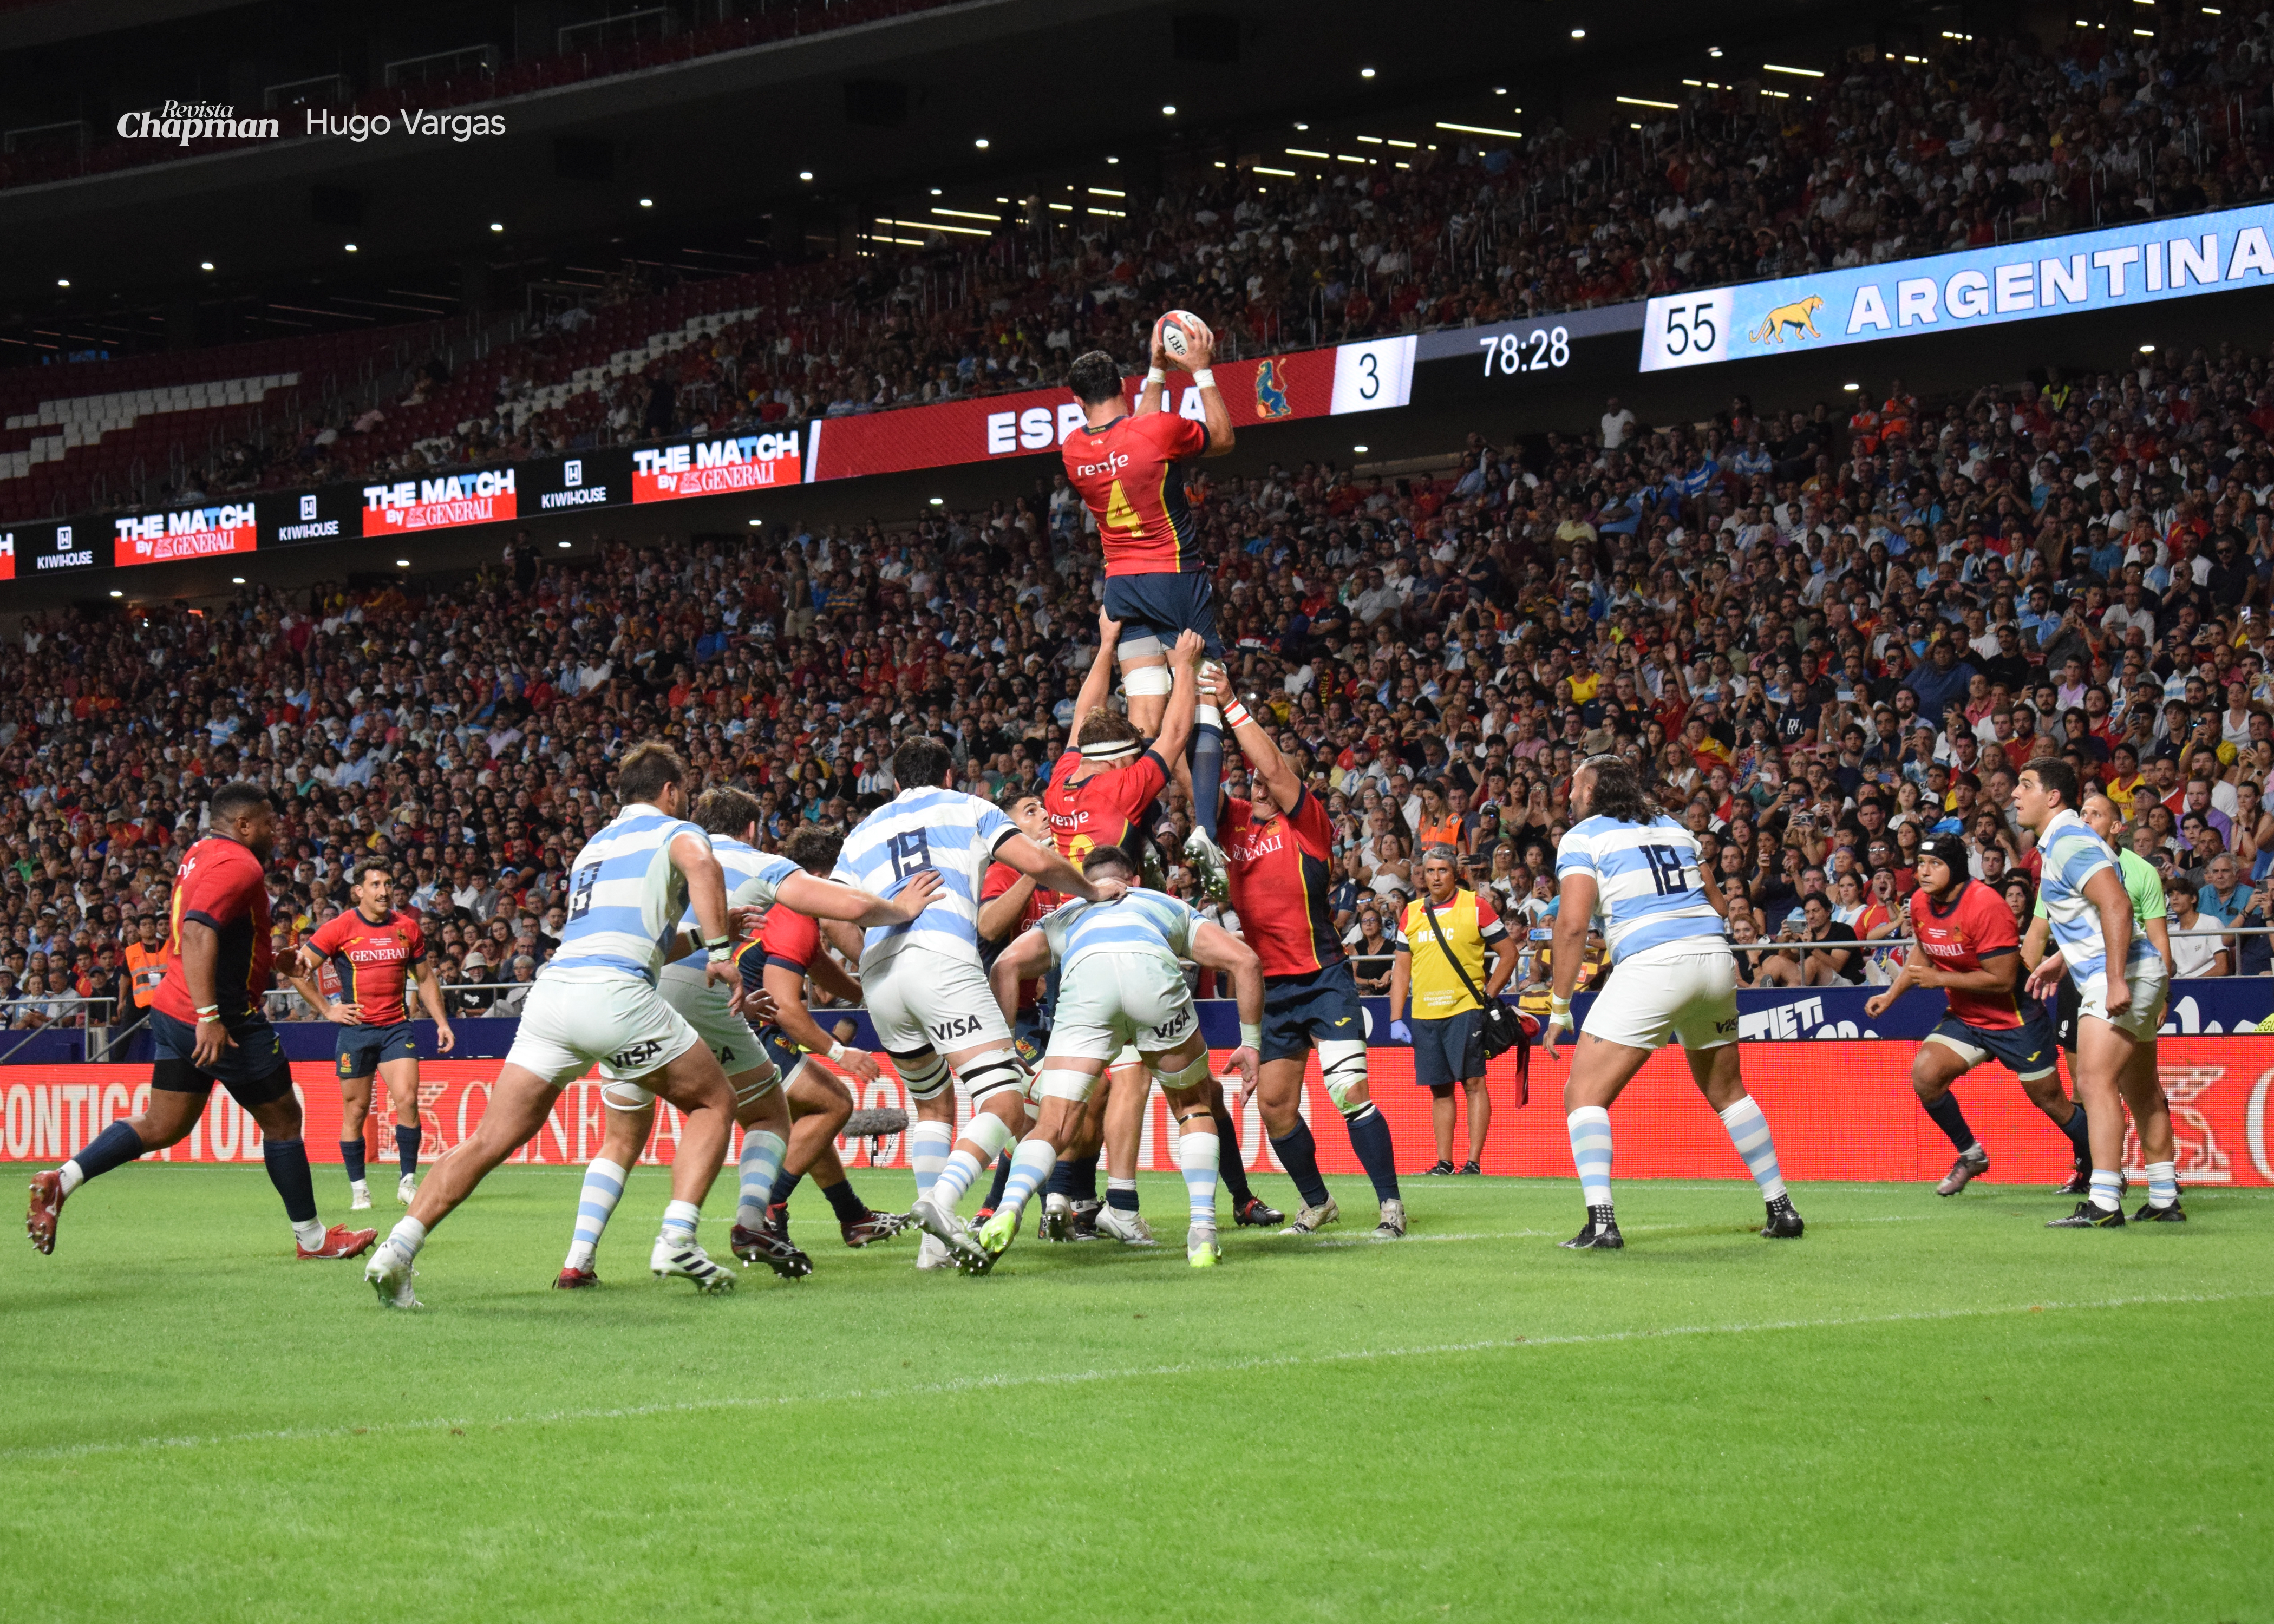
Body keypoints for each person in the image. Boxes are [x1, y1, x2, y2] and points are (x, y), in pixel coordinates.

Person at [363, 743, 936, 1308]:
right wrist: (723, 949)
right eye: (681, 792)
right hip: (617, 996)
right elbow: (707, 865)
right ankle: (679, 1238)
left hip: (553, 995)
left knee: (491, 1139)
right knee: (716, 1100)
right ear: (670, 791)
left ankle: (398, 1249)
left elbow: (642, 937)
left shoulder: (593, 848)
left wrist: (703, 934)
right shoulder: (678, 833)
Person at [552, 789, 920, 1289]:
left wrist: (859, 994)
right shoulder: (768, 873)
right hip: (702, 995)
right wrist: (900, 910)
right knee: (777, 1113)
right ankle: (754, 1219)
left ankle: (578, 1262)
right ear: (751, 829)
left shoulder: (662, 853)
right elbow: (836, 924)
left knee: (621, 1138)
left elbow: (813, 962)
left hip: (629, 994)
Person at [27, 782, 376, 1262]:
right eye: (268, 822)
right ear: (244, 825)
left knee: (163, 1124)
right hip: (221, 1018)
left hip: (173, 1007)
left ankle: (61, 1180)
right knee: (283, 1119)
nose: (276, 831)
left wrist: (268, 960)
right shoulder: (240, 864)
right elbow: (195, 932)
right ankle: (313, 1240)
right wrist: (210, 1016)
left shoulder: (200, 853)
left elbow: (218, 932)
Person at [839, 736, 1124, 1271]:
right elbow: (1034, 859)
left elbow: (835, 913)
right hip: (942, 962)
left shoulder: (862, 831)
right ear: (950, 776)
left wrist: (871, 962)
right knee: (1006, 1103)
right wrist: (1091, 891)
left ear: (895, 782)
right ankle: (941, 1203)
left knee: (932, 1106)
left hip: (880, 976)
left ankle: (932, 1251)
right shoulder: (968, 806)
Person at [1540, 755, 1804, 1249]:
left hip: (1654, 964)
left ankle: (1602, 1223)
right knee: (1730, 1092)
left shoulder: (1582, 837)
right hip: (1713, 960)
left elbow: (1572, 925)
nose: (1569, 796)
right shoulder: (1674, 827)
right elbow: (1720, 906)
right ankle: (1782, 1208)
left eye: (1574, 787)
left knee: (1583, 1095)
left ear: (1591, 791)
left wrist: (1559, 1007)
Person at [981, 845, 1263, 1270]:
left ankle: (1008, 1208)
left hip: (1088, 991)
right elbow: (1246, 961)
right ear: (1134, 880)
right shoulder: (1162, 903)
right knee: (1193, 1105)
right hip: (1153, 981)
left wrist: (1004, 1049)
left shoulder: (1067, 913)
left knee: (1054, 1123)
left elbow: (1004, 965)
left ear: (1087, 882)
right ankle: (1203, 1232)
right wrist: (1251, 1043)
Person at [1206, 667, 1407, 1239]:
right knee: (1273, 1106)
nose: (1259, 786)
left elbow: (1272, 766)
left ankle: (1390, 1205)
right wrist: (1192, 709)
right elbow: (1196, 777)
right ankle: (1318, 1202)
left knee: (1349, 1092)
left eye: (1270, 780)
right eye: (1253, 782)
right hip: (1271, 989)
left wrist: (1230, 702)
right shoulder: (1234, 824)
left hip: (1323, 979)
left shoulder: (1308, 826)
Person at [1060, 325, 1236, 893]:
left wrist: (1158, 371)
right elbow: (1222, 438)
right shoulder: (1155, 431)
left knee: (1143, 721)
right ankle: (1205, 830)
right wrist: (1199, 369)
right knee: (1203, 697)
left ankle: (1145, 829)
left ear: (1076, 399)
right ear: (1122, 383)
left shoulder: (1073, 450)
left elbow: (1133, 434)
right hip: (1175, 579)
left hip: (1121, 587)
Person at [2014, 759, 2185, 1226]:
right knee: (2142, 1089)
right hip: (2139, 970)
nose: (2015, 794)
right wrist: (2060, 960)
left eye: (2025, 786)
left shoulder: (2068, 841)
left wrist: (2114, 979)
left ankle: (2105, 1202)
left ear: (2053, 797)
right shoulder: (2068, 841)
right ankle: (2165, 1197)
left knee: (2093, 1082)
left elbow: (2117, 905)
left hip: (2121, 975)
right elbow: (2094, 914)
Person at [1863, 834, 2082, 1196]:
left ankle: (2099, 1166)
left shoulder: (1986, 905)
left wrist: (1939, 979)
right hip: (1967, 1018)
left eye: (1935, 864)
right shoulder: (1920, 902)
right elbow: (1924, 949)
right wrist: (1891, 995)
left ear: (1956, 868)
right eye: (1921, 864)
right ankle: (1971, 1154)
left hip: (2016, 1020)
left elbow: (2003, 980)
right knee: (1926, 1076)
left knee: (2052, 1103)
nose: (1924, 872)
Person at [746, 824, 911, 1252]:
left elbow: (822, 969)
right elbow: (785, 1008)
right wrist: (841, 1053)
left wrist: (872, 995)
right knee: (835, 1102)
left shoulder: (788, 912)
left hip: (740, 1030)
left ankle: (854, 1219)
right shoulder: (794, 918)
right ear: (824, 877)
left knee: (812, 1123)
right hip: (750, 1033)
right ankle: (766, 1210)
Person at [285, 858, 454, 1210]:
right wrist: (328, 1009)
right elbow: (298, 970)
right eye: (376, 885)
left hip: (396, 1027)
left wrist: (441, 1021)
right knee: (356, 1110)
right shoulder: (338, 928)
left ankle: (407, 1182)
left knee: (407, 1099)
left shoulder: (408, 927)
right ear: (359, 891)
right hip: (356, 1030)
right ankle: (359, 1189)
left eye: (388, 884)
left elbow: (425, 978)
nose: (384, 891)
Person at [1389, 843, 1517, 1176]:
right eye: (1429, 871)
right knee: (1440, 1088)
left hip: (1465, 1010)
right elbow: (1402, 970)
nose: (1435, 877)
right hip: (1424, 1014)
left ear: (1455, 873)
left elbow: (1509, 954)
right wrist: (1395, 1017)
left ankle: (1473, 1163)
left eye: (1442, 871)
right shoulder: (1411, 913)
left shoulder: (1476, 906)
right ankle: (1444, 1163)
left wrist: (1488, 996)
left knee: (1474, 1083)